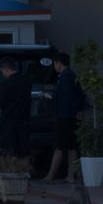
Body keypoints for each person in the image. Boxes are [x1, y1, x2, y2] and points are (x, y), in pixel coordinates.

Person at [44, 53, 84, 185]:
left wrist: (75, 110)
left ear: (59, 63)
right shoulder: (70, 75)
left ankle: (50, 176)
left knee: (60, 146)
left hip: (65, 116)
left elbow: (69, 95)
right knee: (71, 147)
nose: (54, 66)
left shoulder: (66, 76)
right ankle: (71, 175)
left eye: (55, 63)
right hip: (69, 115)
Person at [0, 57, 32, 163]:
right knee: (24, 147)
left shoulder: (5, 84)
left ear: (6, 69)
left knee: (10, 148)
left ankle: (12, 169)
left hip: (9, 121)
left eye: (2, 71)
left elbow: (0, 103)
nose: (3, 74)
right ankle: (25, 169)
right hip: (24, 119)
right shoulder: (27, 82)